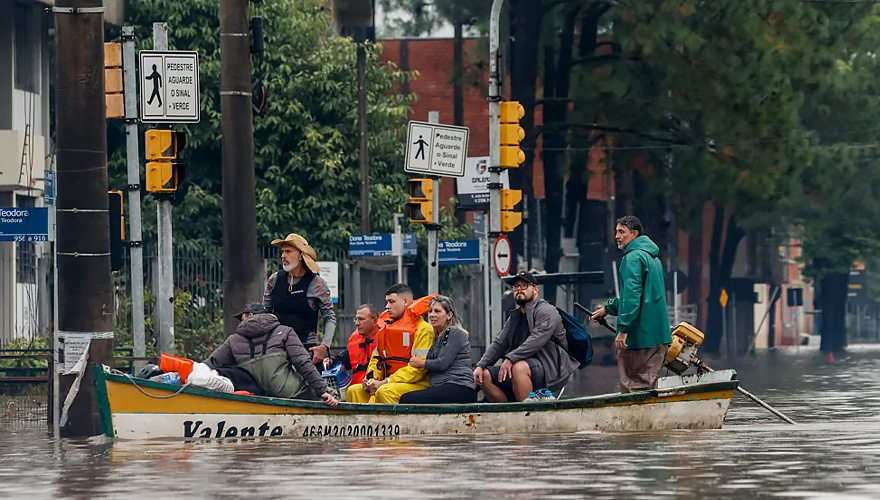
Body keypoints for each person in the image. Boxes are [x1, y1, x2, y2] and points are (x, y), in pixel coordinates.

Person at [591, 216, 672, 393]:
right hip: (659, 336)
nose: (617, 236)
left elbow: (632, 297)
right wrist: (608, 308)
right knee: (649, 389)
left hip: (640, 337)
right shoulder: (654, 259)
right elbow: (643, 296)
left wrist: (623, 330)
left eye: (622, 232)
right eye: (616, 232)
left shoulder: (633, 258)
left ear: (634, 234)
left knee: (633, 390)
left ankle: (635, 421)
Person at [204, 302, 339, 406]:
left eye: (242, 317)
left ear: (249, 315)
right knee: (333, 395)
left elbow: (210, 365)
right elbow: (303, 363)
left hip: (255, 395)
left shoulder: (233, 340)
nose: (240, 321)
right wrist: (322, 391)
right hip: (288, 393)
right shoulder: (285, 331)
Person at [474, 271, 577, 402]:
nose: (519, 289)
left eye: (524, 285)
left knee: (519, 367)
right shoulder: (515, 317)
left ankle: (526, 414)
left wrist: (510, 359)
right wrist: (480, 366)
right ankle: (507, 414)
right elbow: (499, 343)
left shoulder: (546, 310)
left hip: (549, 368)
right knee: (485, 375)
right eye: (516, 286)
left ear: (535, 289)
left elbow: (537, 339)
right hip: (524, 365)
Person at [346, 284, 435, 404]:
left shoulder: (423, 330)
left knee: (384, 391)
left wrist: (386, 381)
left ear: (405, 301)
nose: (387, 306)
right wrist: (371, 379)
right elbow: (376, 359)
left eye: (391, 302)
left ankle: (391, 423)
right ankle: (363, 423)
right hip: (388, 382)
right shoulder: (386, 330)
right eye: (387, 302)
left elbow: (417, 371)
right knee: (354, 390)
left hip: (416, 384)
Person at [263, 233, 337, 366]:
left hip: (306, 350)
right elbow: (264, 314)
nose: (283, 256)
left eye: (288, 252)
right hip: (276, 349)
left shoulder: (317, 283)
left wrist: (324, 346)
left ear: (301, 256)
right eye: (282, 252)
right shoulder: (274, 280)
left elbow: (330, 317)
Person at [399, 295, 476, 404]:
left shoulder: (455, 332)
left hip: (458, 387)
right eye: (430, 311)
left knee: (407, 399)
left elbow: (442, 363)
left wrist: (421, 362)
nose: (432, 315)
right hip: (441, 386)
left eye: (437, 311)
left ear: (449, 315)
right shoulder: (437, 337)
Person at [323, 303, 381, 386]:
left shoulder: (385, 340)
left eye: (361, 319)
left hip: (377, 388)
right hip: (357, 391)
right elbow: (346, 358)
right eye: (356, 319)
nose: (357, 323)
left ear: (374, 321)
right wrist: (332, 360)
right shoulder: (355, 341)